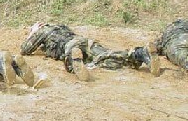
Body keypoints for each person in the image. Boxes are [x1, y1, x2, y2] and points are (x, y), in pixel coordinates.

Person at [20, 22, 159, 80]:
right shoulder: (61, 27)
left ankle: (74, 64)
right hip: (84, 41)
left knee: (70, 55)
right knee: (104, 58)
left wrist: (32, 33)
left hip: (71, 45)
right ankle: (140, 54)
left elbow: (25, 50)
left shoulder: (43, 30)